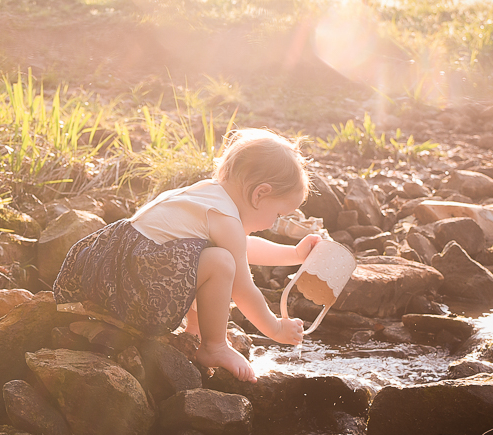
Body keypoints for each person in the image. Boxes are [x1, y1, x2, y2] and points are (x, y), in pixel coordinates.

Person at [53, 128, 320, 382]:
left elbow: (242, 245)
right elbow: (242, 287)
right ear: (260, 194)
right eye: (278, 215)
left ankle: (195, 328)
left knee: (204, 255)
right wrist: (274, 328)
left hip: (109, 277)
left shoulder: (208, 196)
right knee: (220, 263)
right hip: (136, 292)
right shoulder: (225, 219)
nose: (273, 223)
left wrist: (295, 254)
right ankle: (214, 346)